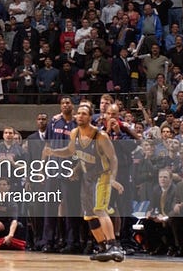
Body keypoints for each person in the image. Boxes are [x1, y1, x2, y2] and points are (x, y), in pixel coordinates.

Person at [43, 102, 126, 262]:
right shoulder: (74, 133)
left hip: (102, 176)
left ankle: (113, 246)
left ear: (90, 117)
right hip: (87, 178)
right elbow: (71, 151)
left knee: (100, 210)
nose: (80, 116)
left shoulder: (100, 136)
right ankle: (102, 247)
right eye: (78, 113)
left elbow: (113, 159)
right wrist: (54, 152)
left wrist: (113, 179)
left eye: (84, 114)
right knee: (88, 216)